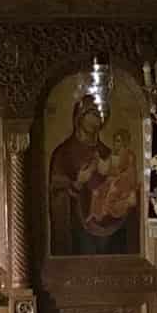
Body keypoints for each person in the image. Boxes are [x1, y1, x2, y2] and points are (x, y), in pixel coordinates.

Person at [48, 94, 138, 254]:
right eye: (92, 114)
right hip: (78, 228)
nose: (96, 120)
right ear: (79, 117)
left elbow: (120, 182)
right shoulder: (63, 153)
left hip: (109, 223)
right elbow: (56, 193)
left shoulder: (107, 153)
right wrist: (78, 183)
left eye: (99, 115)